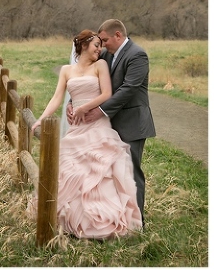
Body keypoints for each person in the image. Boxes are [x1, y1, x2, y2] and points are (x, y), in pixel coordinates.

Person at [31, 29, 142, 239]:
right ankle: (73, 221)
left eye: (101, 46)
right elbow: (57, 98)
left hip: (97, 123)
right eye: (96, 45)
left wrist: (83, 108)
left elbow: (106, 94)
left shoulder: (100, 65)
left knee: (97, 171)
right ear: (83, 46)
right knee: (72, 170)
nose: (99, 50)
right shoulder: (66, 70)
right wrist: (41, 119)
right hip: (77, 127)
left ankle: (100, 223)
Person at [68, 19, 156, 227]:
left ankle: (137, 223)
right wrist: (74, 101)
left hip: (132, 124)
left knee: (131, 172)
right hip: (109, 125)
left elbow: (128, 89)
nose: (103, 45)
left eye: (105, 40)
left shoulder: (137, 55)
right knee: (110, 173)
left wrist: (99, 111)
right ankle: (116, 220)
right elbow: (88, 79)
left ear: (118, 35)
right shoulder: (106, 55)